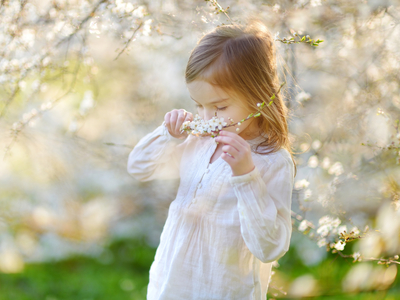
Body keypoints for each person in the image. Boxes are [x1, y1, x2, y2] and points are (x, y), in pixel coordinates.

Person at [127, 17, 297, 300]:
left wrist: (246, 176)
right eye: (199, 105)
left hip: (223, 290)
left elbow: (270, 247)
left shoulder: (271, 160)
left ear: (257, 96)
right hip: (170, 284)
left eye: (219, 106)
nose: (207, 118)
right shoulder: (198, 141)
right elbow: (139, 168)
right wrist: (168, 135)